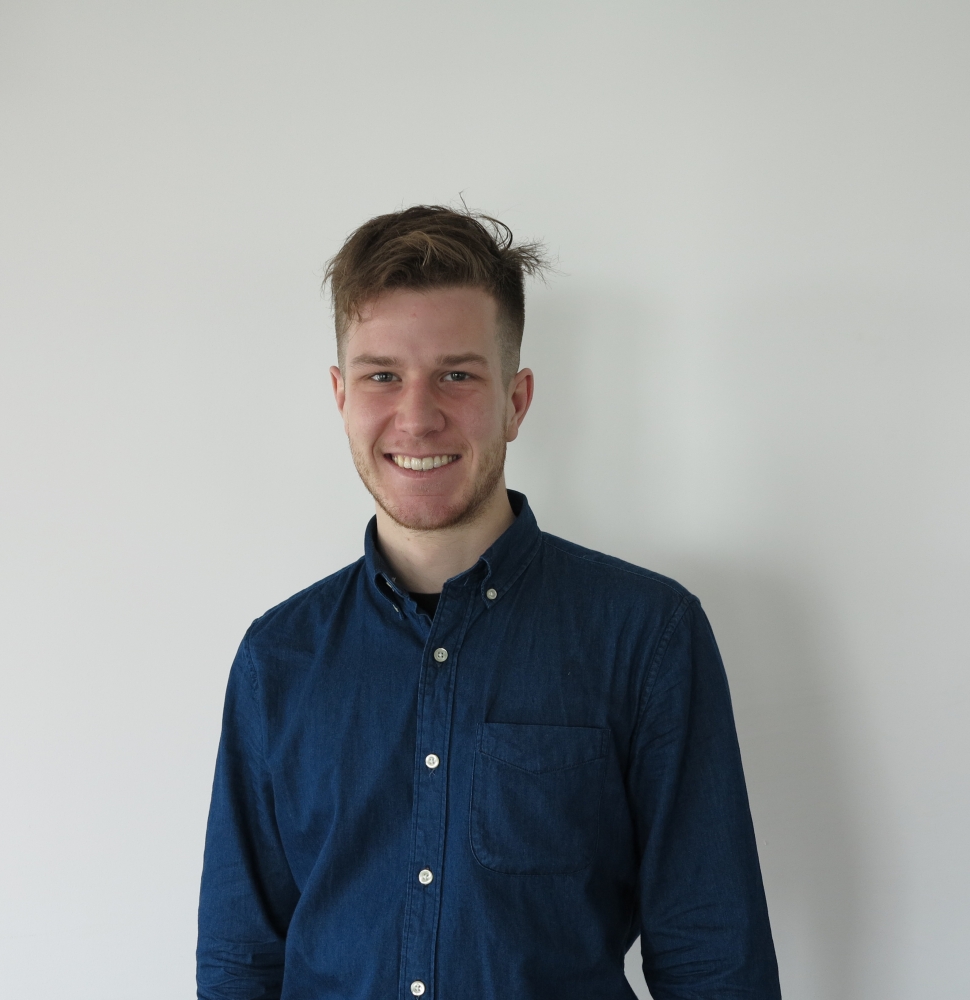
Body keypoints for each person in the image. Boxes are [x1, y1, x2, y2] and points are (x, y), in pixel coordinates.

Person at [196, 205, 781, 1000]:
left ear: (516, 399)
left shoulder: (647, 636)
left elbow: (714, 957)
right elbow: (240, 963)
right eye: (381, 376)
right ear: (340, 395)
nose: (417, 416)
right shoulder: (278, 659)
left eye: (458, 375)